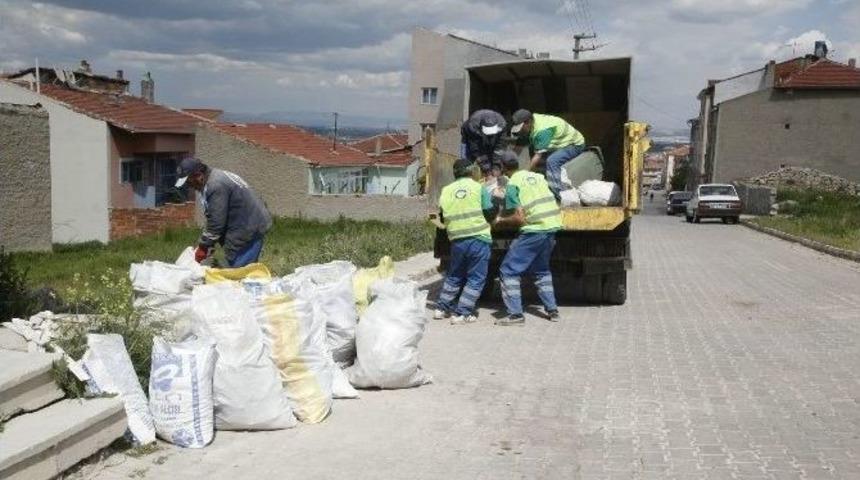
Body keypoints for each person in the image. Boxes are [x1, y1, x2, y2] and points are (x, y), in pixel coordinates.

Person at [492, 151, 562, 326]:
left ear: (502, 168)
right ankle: (552, 310)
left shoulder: (513, 184)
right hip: (552, 227)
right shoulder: (536, 176)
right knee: (541, 270)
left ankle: (515, 315)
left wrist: (499, 220)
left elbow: (519, 219)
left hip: (534, 230)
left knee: (508, 270)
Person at [175, 157, 272, 268]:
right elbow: (213, 216)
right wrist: (208, 243)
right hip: (247, 222)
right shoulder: (212, 179)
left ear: (198, 175)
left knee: (239, 272)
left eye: (189, 181)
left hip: (249, 226)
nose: (189, 185)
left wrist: (204, 247)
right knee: (237, 267)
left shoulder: (215, 185)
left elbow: (216, 223)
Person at [433, 158, 494, 325]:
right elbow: (489, 213)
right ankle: (462, 313)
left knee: (454, 275)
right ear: (471, 171)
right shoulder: (478, 188)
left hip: (457, 240)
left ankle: (441, 309)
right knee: (475, 278)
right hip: (478, 238)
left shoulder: (446, 190)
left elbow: (443, 217)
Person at [509, 109, 586, 200]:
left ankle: (560, 194)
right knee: (533, 149)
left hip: (574, 144)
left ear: (528, 122)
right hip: (559, 142)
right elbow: (519, 147)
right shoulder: (533, 119)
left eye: (521, 128)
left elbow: (538, 156)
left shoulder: (542, 131)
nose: (520, 131)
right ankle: (542, 178)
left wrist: (524, 175)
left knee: (552, 161)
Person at [460, 109, 507, 177]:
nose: (489, 136)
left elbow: (499, 147)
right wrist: (487, 169)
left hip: (484, 136)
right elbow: (476, 150)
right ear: (481, 127)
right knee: (467, 164)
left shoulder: (502, 124)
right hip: (469, 137)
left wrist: (496, 167)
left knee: (492, 161)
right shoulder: (473, 126)